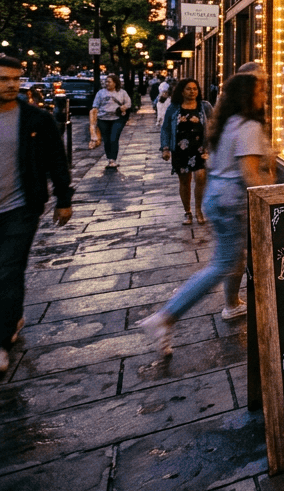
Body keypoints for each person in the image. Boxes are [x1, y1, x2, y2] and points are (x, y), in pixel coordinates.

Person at [139, 74, 272, 355]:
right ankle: (166, 316)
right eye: (261, 91)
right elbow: (249, 175)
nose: (265, 96)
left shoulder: (229, 122)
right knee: (221, 265)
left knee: (232, 261)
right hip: (231, 203)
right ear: (248, 96)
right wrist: (275, 194)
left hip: (219, 198)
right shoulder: (248, 126)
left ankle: (232, 305)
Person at [0, 54, 73, 373]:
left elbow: (57, 159)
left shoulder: (34, 119)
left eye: (16, 78)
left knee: (7, 271)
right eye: (3, 79)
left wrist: (63, 198)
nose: (12, 84)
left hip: (20, 209)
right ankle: (11, 314)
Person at [159, 79, 213, 225]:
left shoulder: (204, 106)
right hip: (180, 148)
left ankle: (199, 210)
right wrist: (165, 148)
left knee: (201, 177)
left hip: (200, 148)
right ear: (182, 91)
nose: (192, 91)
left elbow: (214, 124)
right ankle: (187, 212)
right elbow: (165, 128)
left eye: (195, 89)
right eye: (189, 89)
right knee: (184, 181)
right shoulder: (174, 107)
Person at [89, 74, 131, 169]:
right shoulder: (100, 93)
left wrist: (123, 107)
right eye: (106, 81)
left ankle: (113, 160)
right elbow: (95, 105)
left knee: (114, 138)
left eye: (109, 81)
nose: (106, 83)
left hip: (117, 119)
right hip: (103, 119)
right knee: (107, 140)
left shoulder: (122, 92)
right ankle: (109, 159)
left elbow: (129, 103)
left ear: (115, 83)